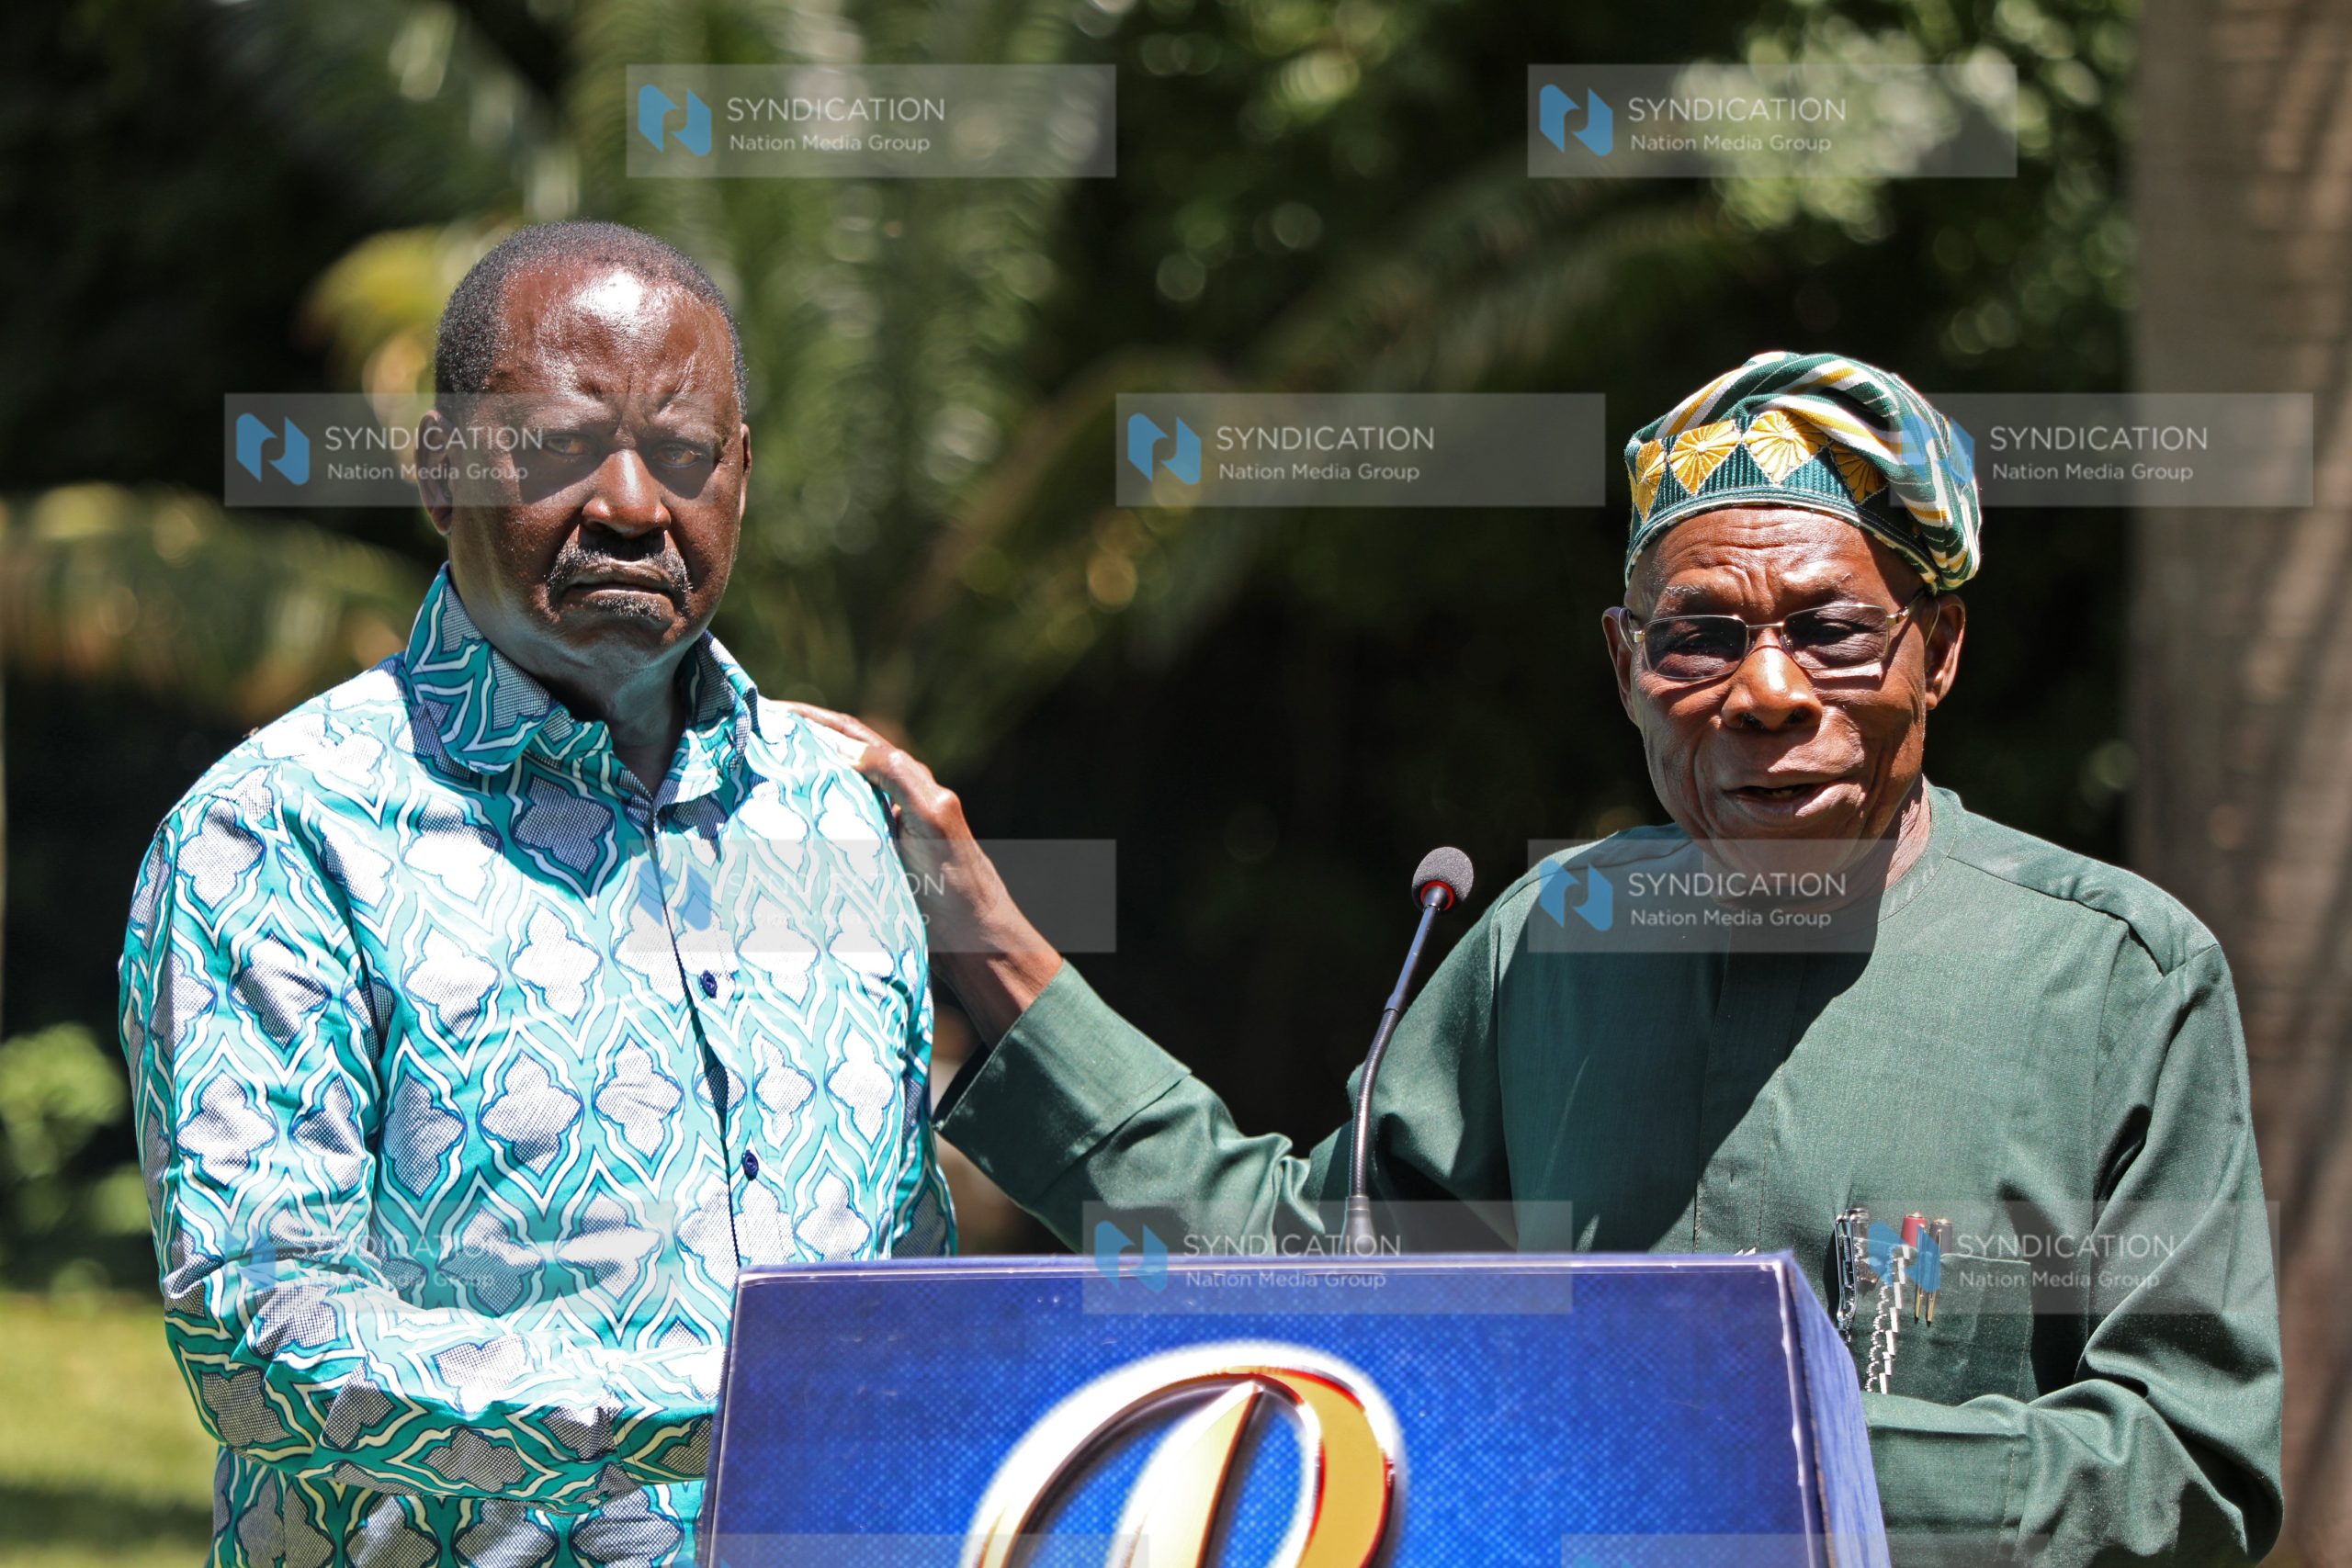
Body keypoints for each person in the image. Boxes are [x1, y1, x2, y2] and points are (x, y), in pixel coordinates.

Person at [800, 352, 2285, 1566]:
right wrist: (985, 947)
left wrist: (1764, 1438)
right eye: (1699, 638)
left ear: (1938, 651)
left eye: (1832, 633)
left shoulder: (2118, 980)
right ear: (1625, 665)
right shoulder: (1548, 942)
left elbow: (2189, 1472)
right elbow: (1316, 1277)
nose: (1766, 693)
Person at [118, 220, 952, 1568]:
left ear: (742, 476)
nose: (631, 502)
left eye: (684, 455)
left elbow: (904, 1262)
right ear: (440, 466)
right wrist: (708, 1410)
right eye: (562, 446)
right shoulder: (281, 832)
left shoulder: (833, 814)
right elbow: (256, 1330)